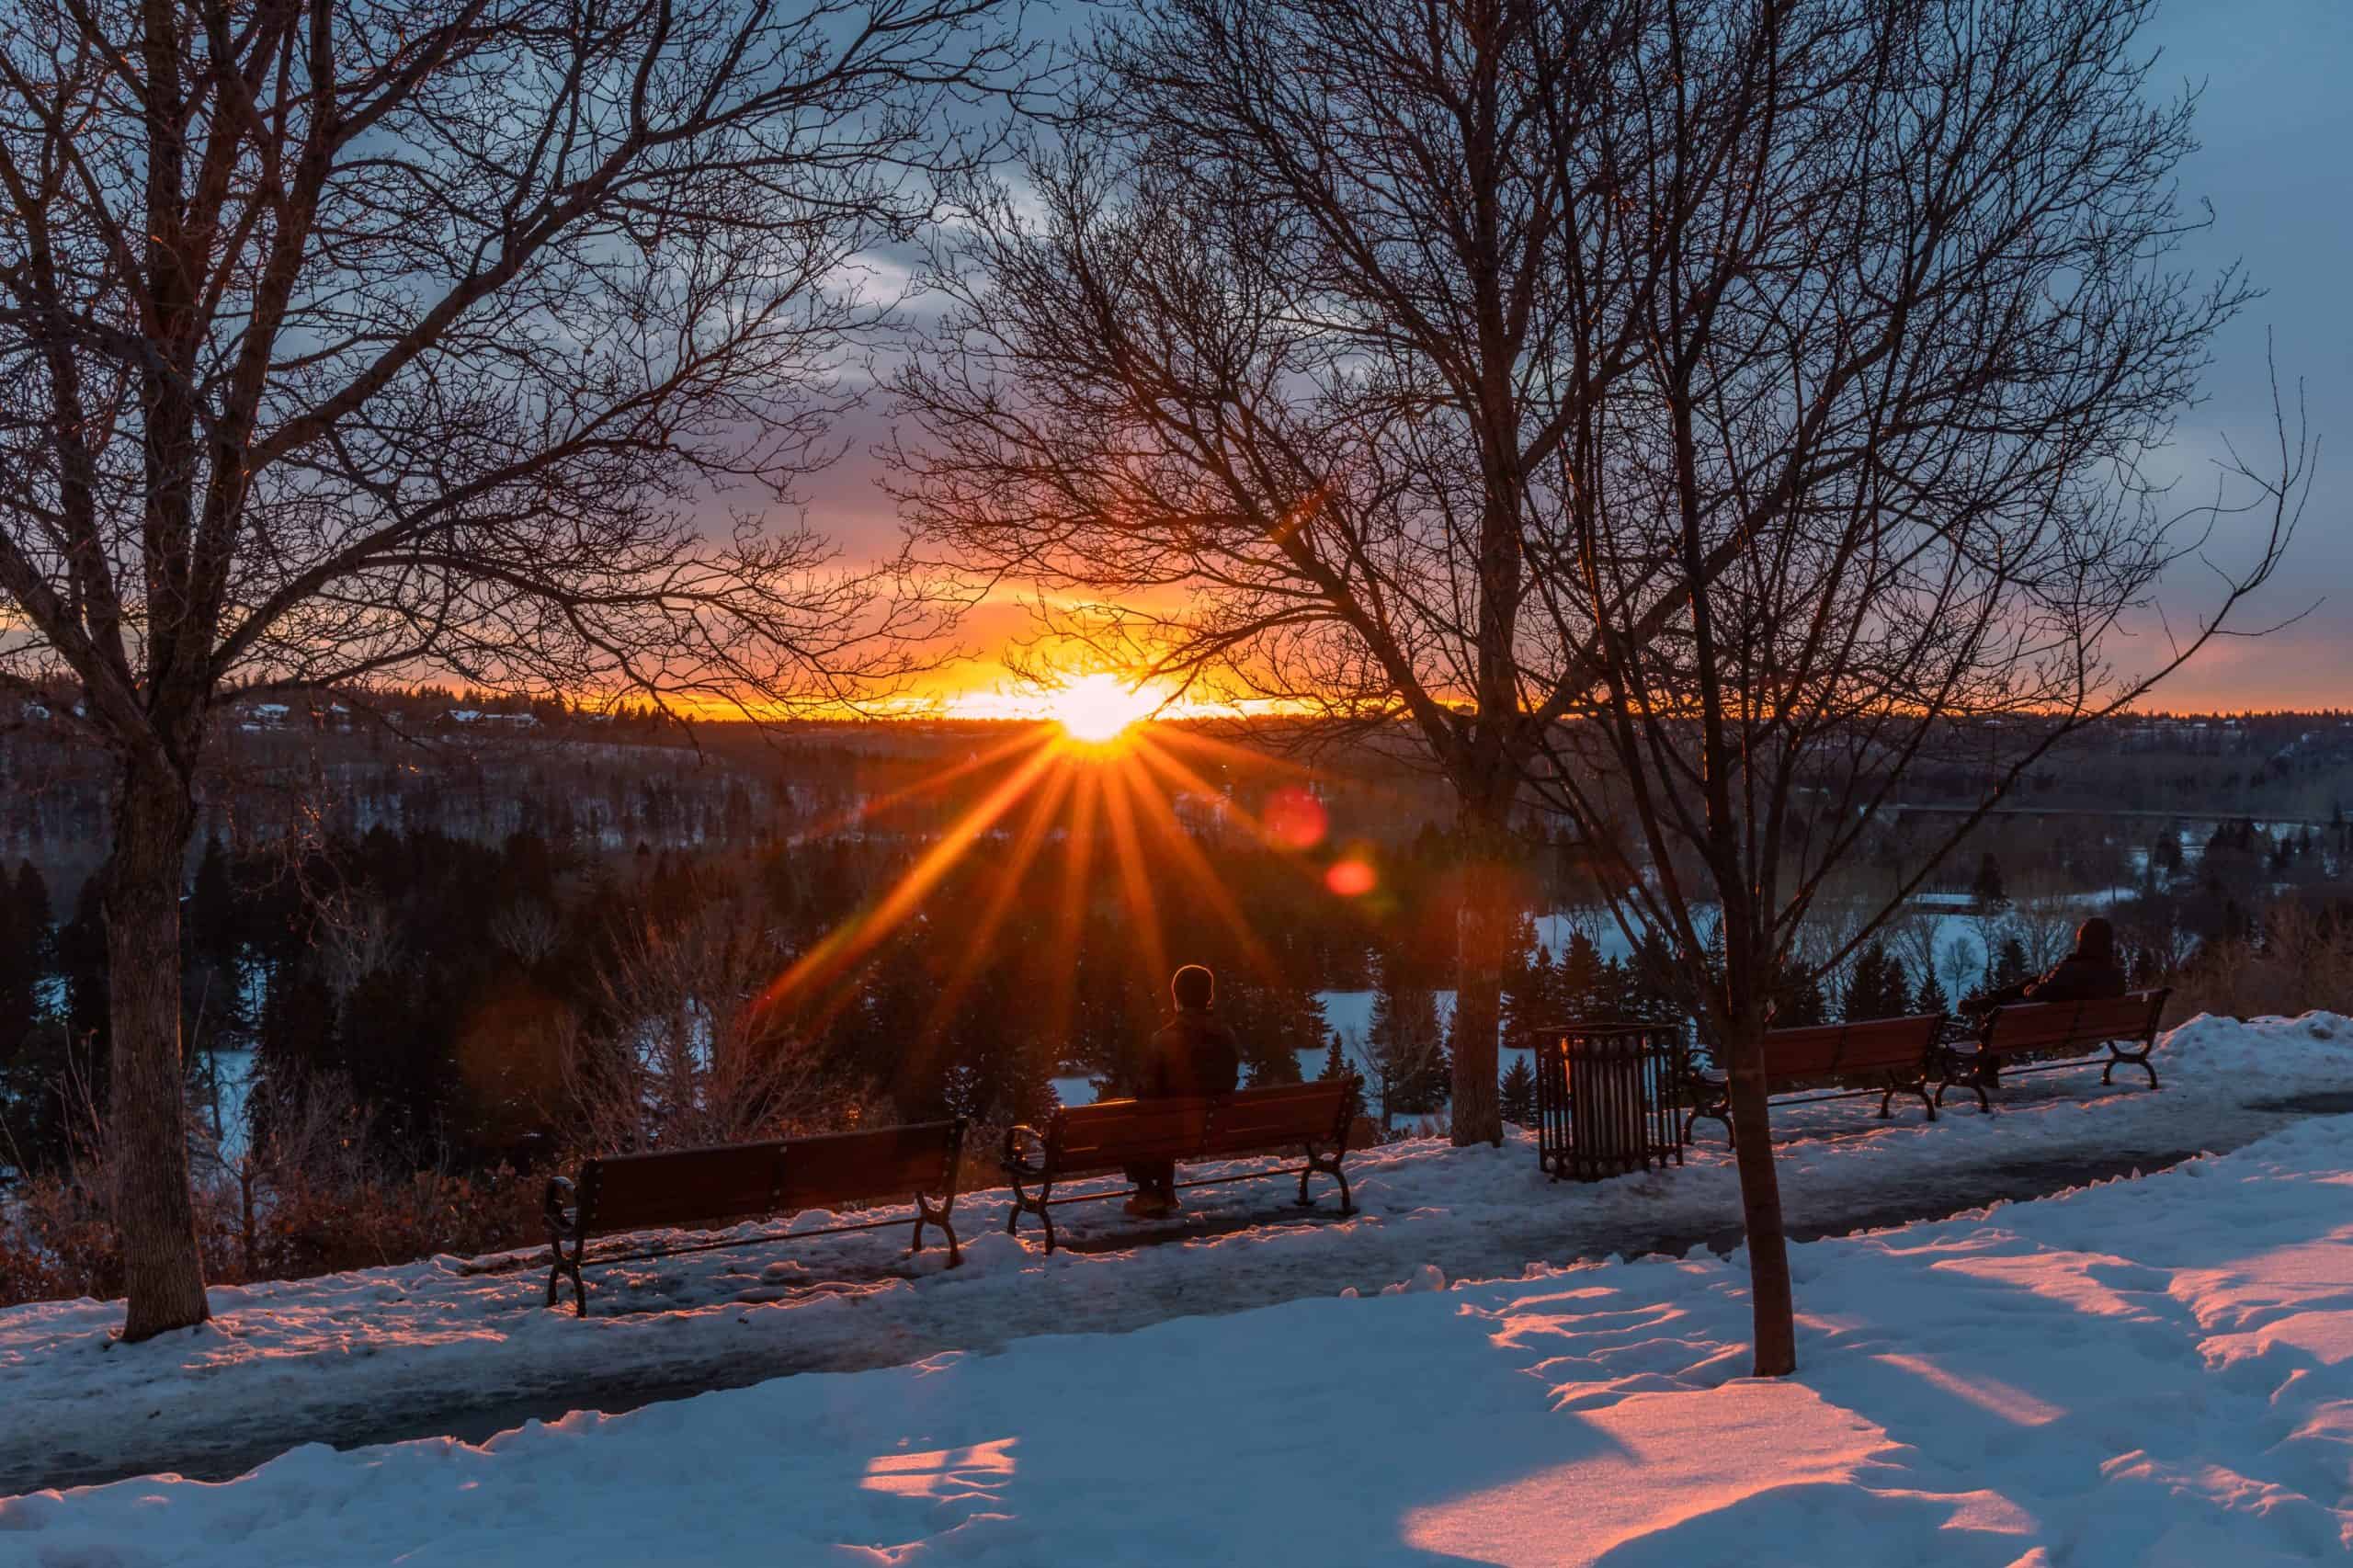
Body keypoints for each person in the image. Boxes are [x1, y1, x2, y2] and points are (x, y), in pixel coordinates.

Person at [1125, 964, 1241, 1219]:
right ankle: (1165, 1190)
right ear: (1209, 996)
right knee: (1165, 1117)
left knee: (1136, 1117)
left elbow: (1148, 1091)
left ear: (1176, 997)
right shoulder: (1226, 1036)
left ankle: (1148, 1193)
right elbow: (1230, 1081)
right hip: (1214, 1129)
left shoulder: (1164, 1039)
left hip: (1172, 1129)